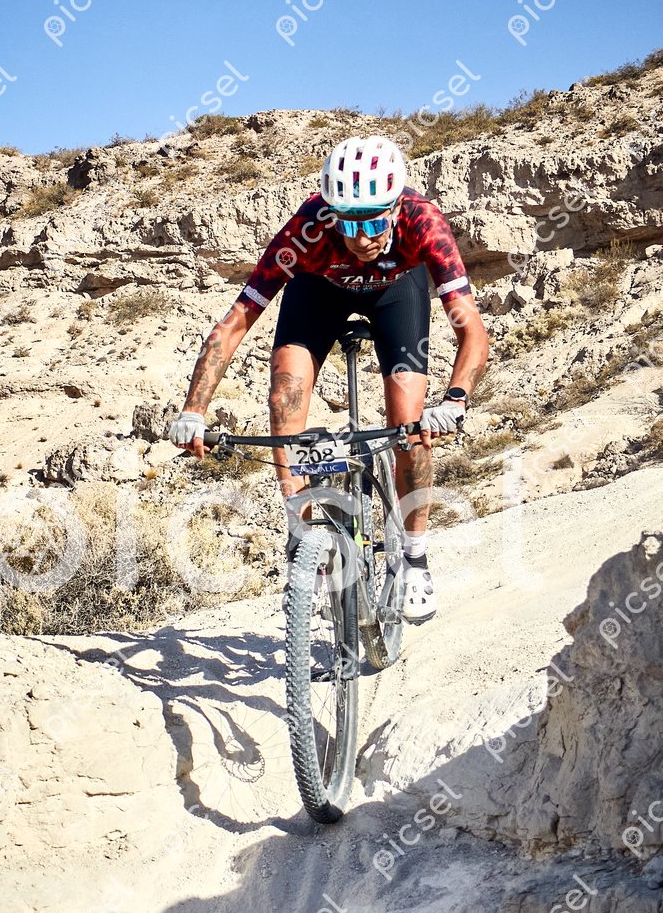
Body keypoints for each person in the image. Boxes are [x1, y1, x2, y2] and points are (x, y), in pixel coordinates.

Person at [169, 135, 489, 622]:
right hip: (319, 292)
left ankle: (414, 558)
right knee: (284, 397)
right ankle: (303, 545)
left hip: (396, 294)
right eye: (349, 223)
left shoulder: (423, 221)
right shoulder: (308, 229)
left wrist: (455, 400)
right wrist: (194, 409)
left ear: (396, 207)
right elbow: (235, 323)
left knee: (409, 425)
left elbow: (472, 331)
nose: (362, 238)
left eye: (374, 222)